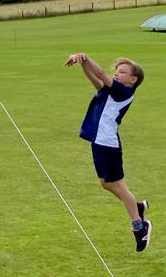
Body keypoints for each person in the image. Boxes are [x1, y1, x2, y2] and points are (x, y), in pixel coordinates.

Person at [64, 54, 151, 252]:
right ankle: (136, 207)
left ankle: (140, 227)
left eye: (122, 72)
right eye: (117, 71)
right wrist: (82, 63)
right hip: (99, 142)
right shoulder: (111, 91)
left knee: (119, 187)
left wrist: (85, 56)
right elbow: (95, 78)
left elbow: (101, 73)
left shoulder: (123, 91)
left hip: (108, 144)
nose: (116, 74)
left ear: (133, 79)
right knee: (106, 184)